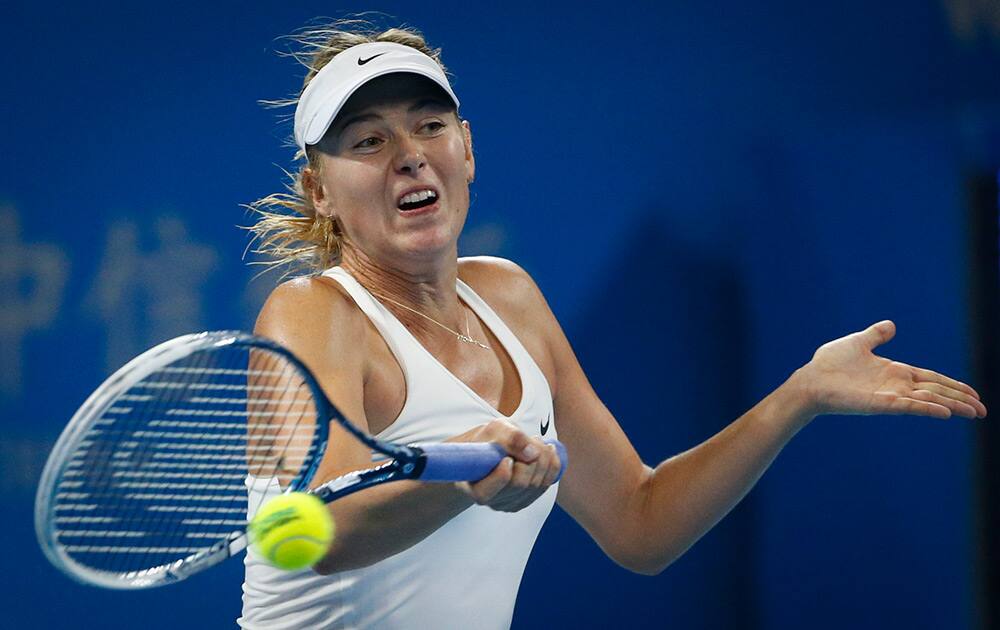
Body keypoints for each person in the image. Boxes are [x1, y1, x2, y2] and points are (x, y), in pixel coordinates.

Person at [238, 21, 988, 630]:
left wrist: (800, 396)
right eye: (368, 141)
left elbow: (641, 523)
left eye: (428, 125)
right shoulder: (313, 312)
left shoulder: (509, 298)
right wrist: (461, 481)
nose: (408, 156)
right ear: (320, 191)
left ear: (466, 146)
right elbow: (324, 533)